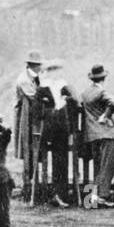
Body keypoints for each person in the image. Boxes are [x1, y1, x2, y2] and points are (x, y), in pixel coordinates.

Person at [80, 64, 114, 209]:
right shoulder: (101, 92)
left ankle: (90, 199)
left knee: (97, 167)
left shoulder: (85, 93)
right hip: (105, 133)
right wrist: (106, 115)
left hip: (92, 135)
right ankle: (102, 197)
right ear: (104, 78)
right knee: (107, 167)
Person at [39, 59, 77, 208]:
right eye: (52, 70)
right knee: (51, 163)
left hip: (63, 130)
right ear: (48, 72)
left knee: (62, 162)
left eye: (58, 70)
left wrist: (67, 100)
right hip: (49, 131)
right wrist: (55, 109)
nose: (56, 73)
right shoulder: (43, 88)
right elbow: (37, 111)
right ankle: (54, 194)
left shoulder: (64, 86)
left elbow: (76, 102)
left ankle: (61, 195)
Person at [13, 49, 46, 202]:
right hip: (25, 119)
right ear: (33, 65)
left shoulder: (35, 77)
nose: (40, 67)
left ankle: (34, 185)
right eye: (38, 65)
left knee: (34, 152)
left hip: (34, 118)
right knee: (28, 150)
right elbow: (35, 97)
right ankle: (29, 187)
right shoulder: (24, 80)